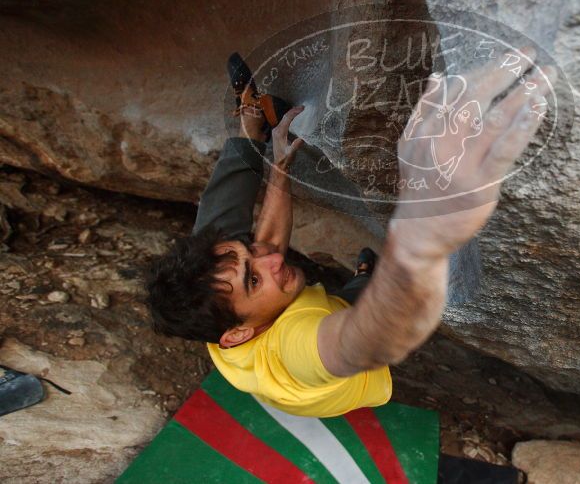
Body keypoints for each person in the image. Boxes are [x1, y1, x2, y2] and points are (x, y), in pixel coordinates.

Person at [145, 50, 555, 418]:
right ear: (238, 335)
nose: (272, 260)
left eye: (250, 257)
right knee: (355, 302)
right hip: (348, 378)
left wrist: (280, 166)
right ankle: (362, 277)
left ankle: (252, 126)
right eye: (254, 280)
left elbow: (264, 248)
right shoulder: (293, 351)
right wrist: (420, 238)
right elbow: (366, 340)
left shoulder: (222, 307)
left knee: (215, 235)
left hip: (262, 312)